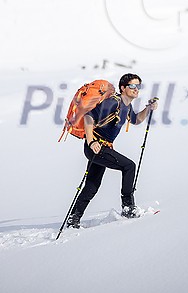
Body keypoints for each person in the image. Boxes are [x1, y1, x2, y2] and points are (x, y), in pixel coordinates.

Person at [67, 73, 158, 228]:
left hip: (103, 147)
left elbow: (136, 120)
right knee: (129, 166)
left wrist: (148, 108)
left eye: (138, 86)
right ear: (123, 88)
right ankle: (128, 208)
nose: (136, 89)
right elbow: (89, 117)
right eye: (132, 86)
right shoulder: (113, 102)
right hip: (96, 146)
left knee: (92, 185)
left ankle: (74, 218)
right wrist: (91, 141)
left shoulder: (126, 105)